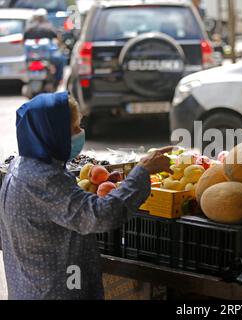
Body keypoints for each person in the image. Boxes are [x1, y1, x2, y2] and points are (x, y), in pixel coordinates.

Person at [0, 92, 172, 300]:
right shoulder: (44, 180)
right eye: (73, 129)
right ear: (51, 134)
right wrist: (142, 171)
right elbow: (101, 216)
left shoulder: (20, 166)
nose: (80, 133)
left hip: (28, 288)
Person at [23, 9, 65, 85]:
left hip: (31, 57)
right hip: (47, 57)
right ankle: (58, 80)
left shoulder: (29, 29)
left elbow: (23, 41)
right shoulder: (48, 27)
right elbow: (58, 39)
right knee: (61, 60)